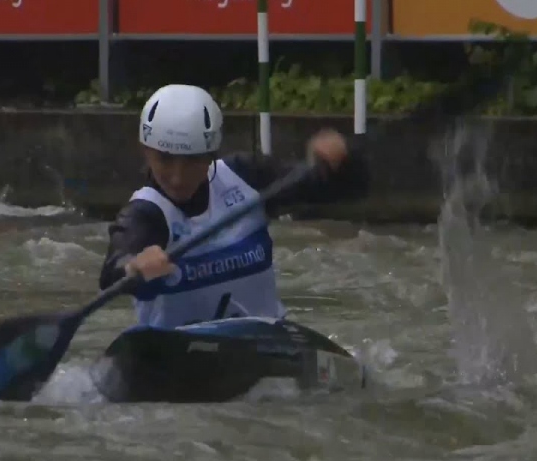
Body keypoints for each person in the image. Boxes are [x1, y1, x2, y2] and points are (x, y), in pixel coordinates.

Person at [98, 84, 370, 328]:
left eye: (192, 160)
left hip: (262, 342)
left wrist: (341, 164)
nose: (178, 177)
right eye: (165, 159)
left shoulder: (246, 176)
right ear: (146, 150)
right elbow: (114, 269)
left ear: (211, 153)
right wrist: (133, 268)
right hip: (177, 357)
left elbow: (341, 189)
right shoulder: (145, 213)